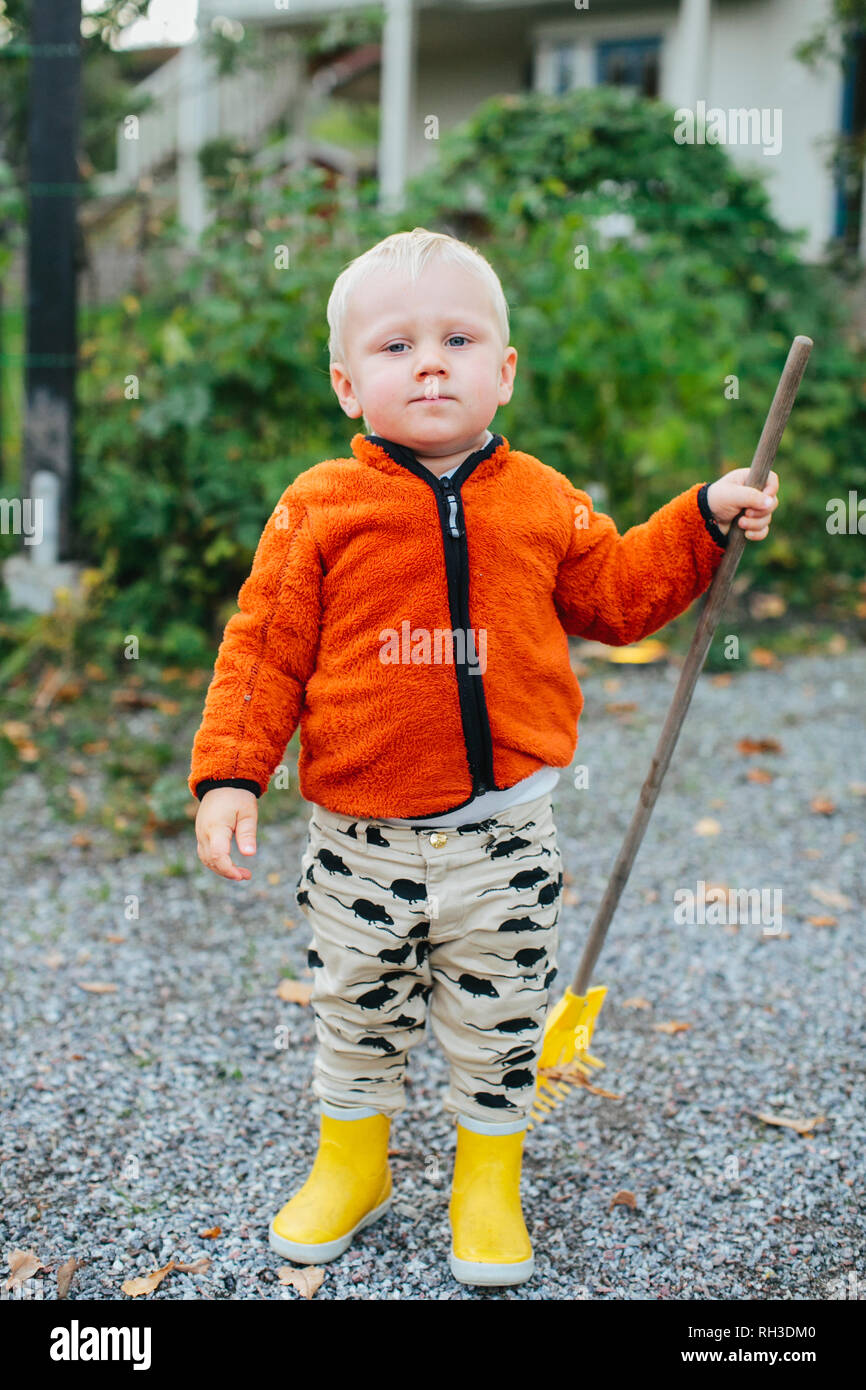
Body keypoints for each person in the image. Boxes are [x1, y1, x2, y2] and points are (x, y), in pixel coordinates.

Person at [189, 227, 780, 1287]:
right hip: (359, 841)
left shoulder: (539, 499)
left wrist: (700, 515)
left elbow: (618, 594)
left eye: (457, 338)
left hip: (504, 835)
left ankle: (485, 1180)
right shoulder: (320, 508)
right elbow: (262, 649)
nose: (428, 361)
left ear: (501, 371)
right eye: (394, 345)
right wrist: (232, 774)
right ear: (344, 384)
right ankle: (351, 1164)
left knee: (498, 1014)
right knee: (356, 1007)